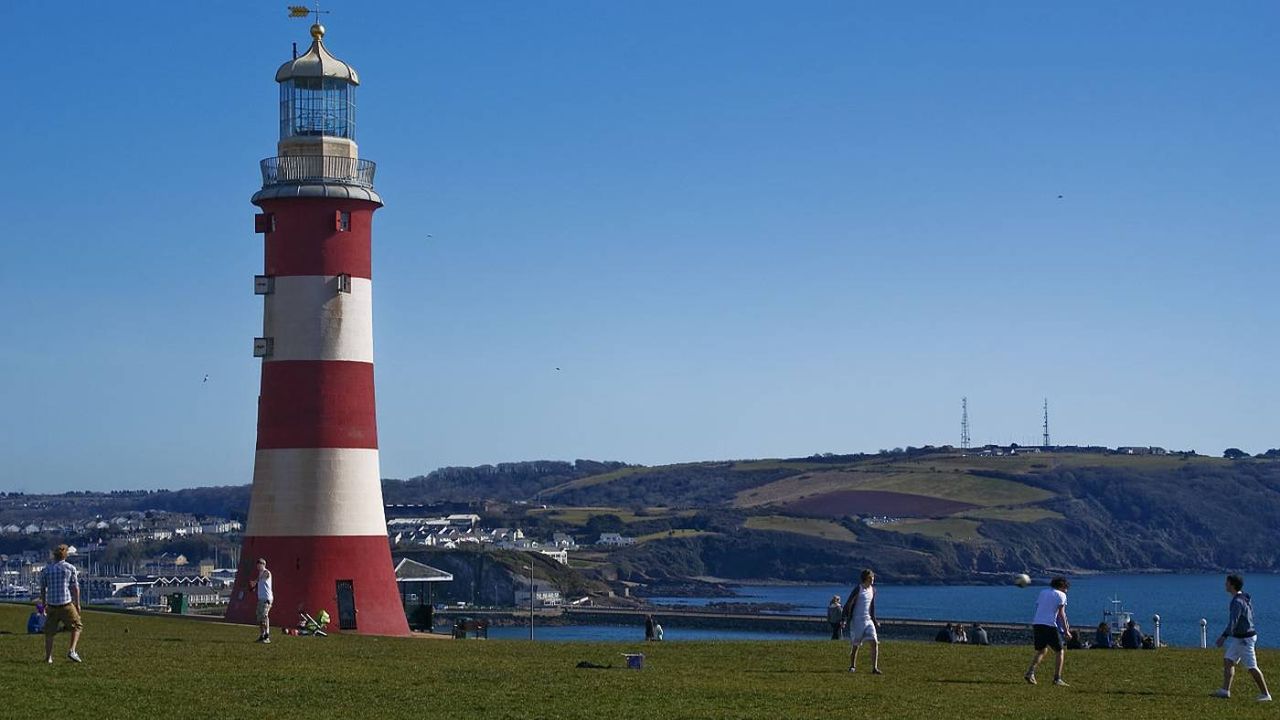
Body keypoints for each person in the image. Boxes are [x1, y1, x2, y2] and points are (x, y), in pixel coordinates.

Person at [1213, 574, 1271, 701]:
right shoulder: (1244, 597)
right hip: (1241, 638)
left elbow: (1233, 622)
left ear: (1232, 585)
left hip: (1245, 639)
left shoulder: (1237, 602)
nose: (1225, 585)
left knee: (1252, 667)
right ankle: (1225, 691)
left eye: (1227, 583)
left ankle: (1266, 694)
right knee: (1228, 660)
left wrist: (1223, 636)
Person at [39, 544, 83, 663]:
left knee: (49, 632)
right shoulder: (70, 568)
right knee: (77, 626)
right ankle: (72, 650)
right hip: (66, 604)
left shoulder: (46, 570)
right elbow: (75, 588)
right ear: (65, 555)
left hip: (52, 605)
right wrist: (78, 604)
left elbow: (43, 589)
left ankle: (48, 657)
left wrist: (44, 605)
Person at [1024, 576, 1071, 687]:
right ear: (1062, 586)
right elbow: (1061, 614)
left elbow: (1040, 607)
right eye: (1066, 587)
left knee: (1042, 650)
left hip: (1037, 623)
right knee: (1060, 651)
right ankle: (1057, 678)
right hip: (1049, 625)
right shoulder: (1062, 595)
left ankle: (1030, 672)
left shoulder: (1043, 592)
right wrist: (1066, 631)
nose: (1067, 590)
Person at [842, 569, 881, 674]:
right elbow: (848, 603)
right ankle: (852, 666)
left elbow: (872, 606)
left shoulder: (873, 590)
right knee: (856, 644)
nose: (872, 579)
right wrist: (844, 618)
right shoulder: (858, 589)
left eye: (873, 577)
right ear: (865, 578)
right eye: (870, 577)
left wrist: (874, 620)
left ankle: (874, 668)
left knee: (874, 642)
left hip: (868, 620)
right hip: (857, 620)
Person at [248, 557, 273, 644]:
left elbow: (264, 576)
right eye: (257, 565)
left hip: (266, 598)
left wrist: (255, 582)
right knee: (260, 617)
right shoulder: (260, 574)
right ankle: (262, 635)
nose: (258, 566)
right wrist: (254, 586)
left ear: (263, 564)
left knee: (264, 616)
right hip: (261, 599)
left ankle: (267, 635)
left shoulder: (266, 572)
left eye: (259, 564)